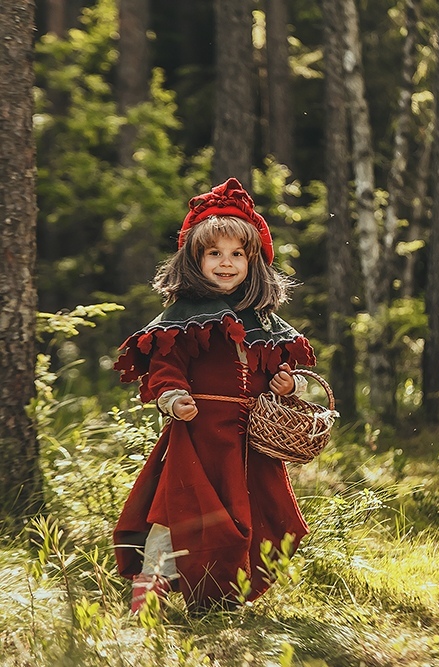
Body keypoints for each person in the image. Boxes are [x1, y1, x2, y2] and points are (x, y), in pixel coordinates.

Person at [113, 178, 317, 613]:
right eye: (214, 254)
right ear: (196, 260)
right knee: (176, 514)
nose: (226, 264)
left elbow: (283, 371)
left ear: (253, 260)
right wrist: (174, 398)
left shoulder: (265, 321)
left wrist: (288, 385)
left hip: (251, 443)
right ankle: (147, 597)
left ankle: (221, 596)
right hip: (200, 435)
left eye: (236, 254)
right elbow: (164, 368)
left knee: (251, 517)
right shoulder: (182, 319)